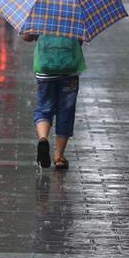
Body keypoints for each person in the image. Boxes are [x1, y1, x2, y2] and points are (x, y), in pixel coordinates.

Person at [22, 33, 86, 170]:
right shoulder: (75, 14)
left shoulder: (42, 13)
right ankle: (59, 157)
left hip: (45, 68)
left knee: (44, 107)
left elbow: (26, 37)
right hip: (69, 69)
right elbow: (80, 40)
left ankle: (43, 139)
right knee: (66, 112)